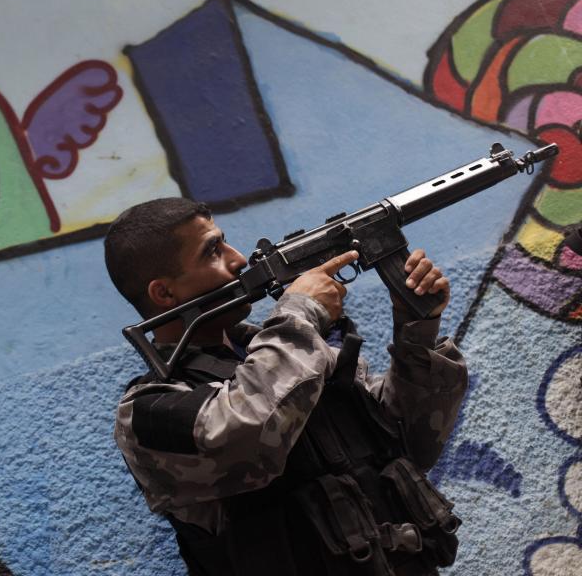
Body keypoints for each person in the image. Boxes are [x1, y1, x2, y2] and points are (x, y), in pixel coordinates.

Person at [105, 198, 467, 576]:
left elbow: (412, 444)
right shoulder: (148, 412)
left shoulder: (298, 353)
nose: (238, 258)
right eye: (212, 251)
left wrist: (416, 330)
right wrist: (300, 313)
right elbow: (248, 433)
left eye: (225, 242)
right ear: (164, 294)